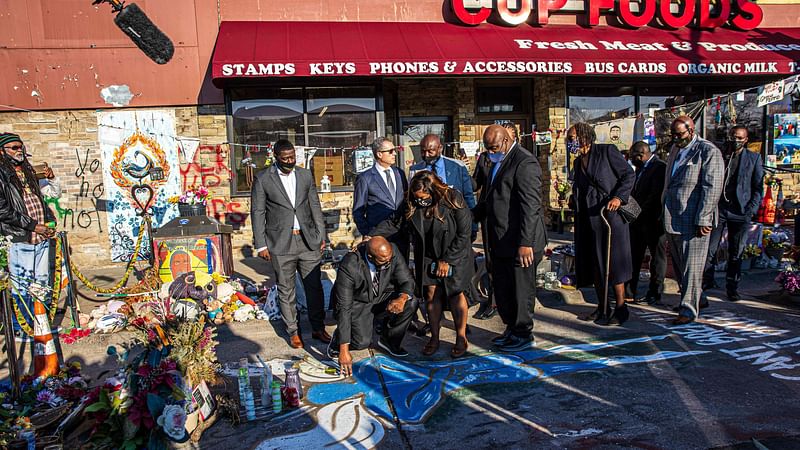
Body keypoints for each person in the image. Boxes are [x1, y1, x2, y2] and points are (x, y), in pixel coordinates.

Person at [372, 171, 474, 357]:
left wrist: (447, 260)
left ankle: (461, 337)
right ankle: (434, 337)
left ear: (433, 191)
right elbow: (395, 223)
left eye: (424, 197)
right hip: (427, 253)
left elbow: (464, 232)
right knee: (430, 294)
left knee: (454, 293)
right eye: (417, 198)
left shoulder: (452, 198)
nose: (420, 201)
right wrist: (373, 236)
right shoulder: (411, 202)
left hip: (453, 252)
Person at [251, 139, 330, 349]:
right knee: (286, 290)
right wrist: (261, 245)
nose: (290, 161)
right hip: (280, 243)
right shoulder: (263, 178)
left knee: (314, 287)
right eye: (285, 158)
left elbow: (314, 205)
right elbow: (257, 212)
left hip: (307, 240)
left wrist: (322, 235)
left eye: (292, 157)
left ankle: (318, 327)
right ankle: (293, 332)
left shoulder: (304, 175)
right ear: (275, 157)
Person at [474, 125, 547, 351]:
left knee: (520, 289)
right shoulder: (497, 161)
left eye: (494, 147)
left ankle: (523, 333)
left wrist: (525, 243)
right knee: (505, 289)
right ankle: (511, 329)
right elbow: (490, 199)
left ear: (506, 141)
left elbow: (531, 207)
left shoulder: (524, 162)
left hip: (521, 242)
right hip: (501, 240)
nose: (490, 152)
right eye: (487, 149)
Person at [570, 123, 635, 326]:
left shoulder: (606, 151)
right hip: (588, 219)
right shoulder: (578, 162)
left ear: (584, 136)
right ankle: (602, 306)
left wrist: (619, 197)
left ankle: (621, 307)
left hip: (610, 218)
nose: (570, 141)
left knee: (614, 264)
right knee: (595, 264)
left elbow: (628, 174)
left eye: (572, 137)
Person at [663, 116, 724, 325]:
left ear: (691, 130)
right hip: (673, 215)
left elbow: (712, 186)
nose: (675, 139)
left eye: (679, 135)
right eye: (673, 135)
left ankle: (688, 309)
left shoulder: (708, 151)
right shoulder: (675, 150)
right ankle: (696, 298)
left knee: (693, 265)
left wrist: (704, 217)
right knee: (679, 265)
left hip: (695, 218)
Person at [328, 236, 417, 377]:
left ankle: (389, 340)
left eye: (390, 258)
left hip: (381, 295)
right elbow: (343, 307)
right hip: (358, 301)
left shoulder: (391, 251)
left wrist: (401, 298)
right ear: (370, 256)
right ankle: (338, 338)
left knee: (411, 302)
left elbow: (407, 280)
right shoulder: (350, 263)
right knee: (362, 342)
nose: (388, 261)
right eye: (383, 260)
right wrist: (343, 350)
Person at [0, 133, 57, 339]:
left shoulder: (28, 171)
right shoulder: (2, 175)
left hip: (40, 236)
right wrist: (34, 225)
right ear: (2, 152)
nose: (19, 151)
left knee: (41, 282)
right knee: (22, 284)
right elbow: (3, 210)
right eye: (14, 147)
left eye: (20, 147)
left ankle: (41, 325)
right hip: (19, 236)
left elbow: (49, 195)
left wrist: (46, 223)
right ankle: (22, 328)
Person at [702, 125, 763, 302]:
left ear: (745, 140)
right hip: (720, 208)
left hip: (741, 210)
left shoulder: (753, 158)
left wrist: (751, 209)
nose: (735, 140)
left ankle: (732, 287)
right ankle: (706, 280)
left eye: (739, 138)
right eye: (733, 137)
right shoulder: (721, 155)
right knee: (711, 249)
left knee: (736, 251)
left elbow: (758, 186)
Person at [626, 141, 667, 305]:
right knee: (634, 256)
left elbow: (655, 196)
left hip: (653, 221)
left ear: (640, 155)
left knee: (657, 258)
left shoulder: (659, 168)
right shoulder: (640, 170)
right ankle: (629, 290)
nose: (631, 161)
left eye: (632, 157)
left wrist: (639, 212)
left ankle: (655, 291)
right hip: (637, 221)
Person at [353, 137, 409, 257]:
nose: (394, 153)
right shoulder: (365, 178)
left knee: (402, 272)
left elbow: (406, 201)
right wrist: (369, 233)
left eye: (395, 150)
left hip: (401, 235)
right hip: (378, 236)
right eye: (390, 151)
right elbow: (358, 211)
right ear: (379, 154)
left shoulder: (400, 173)